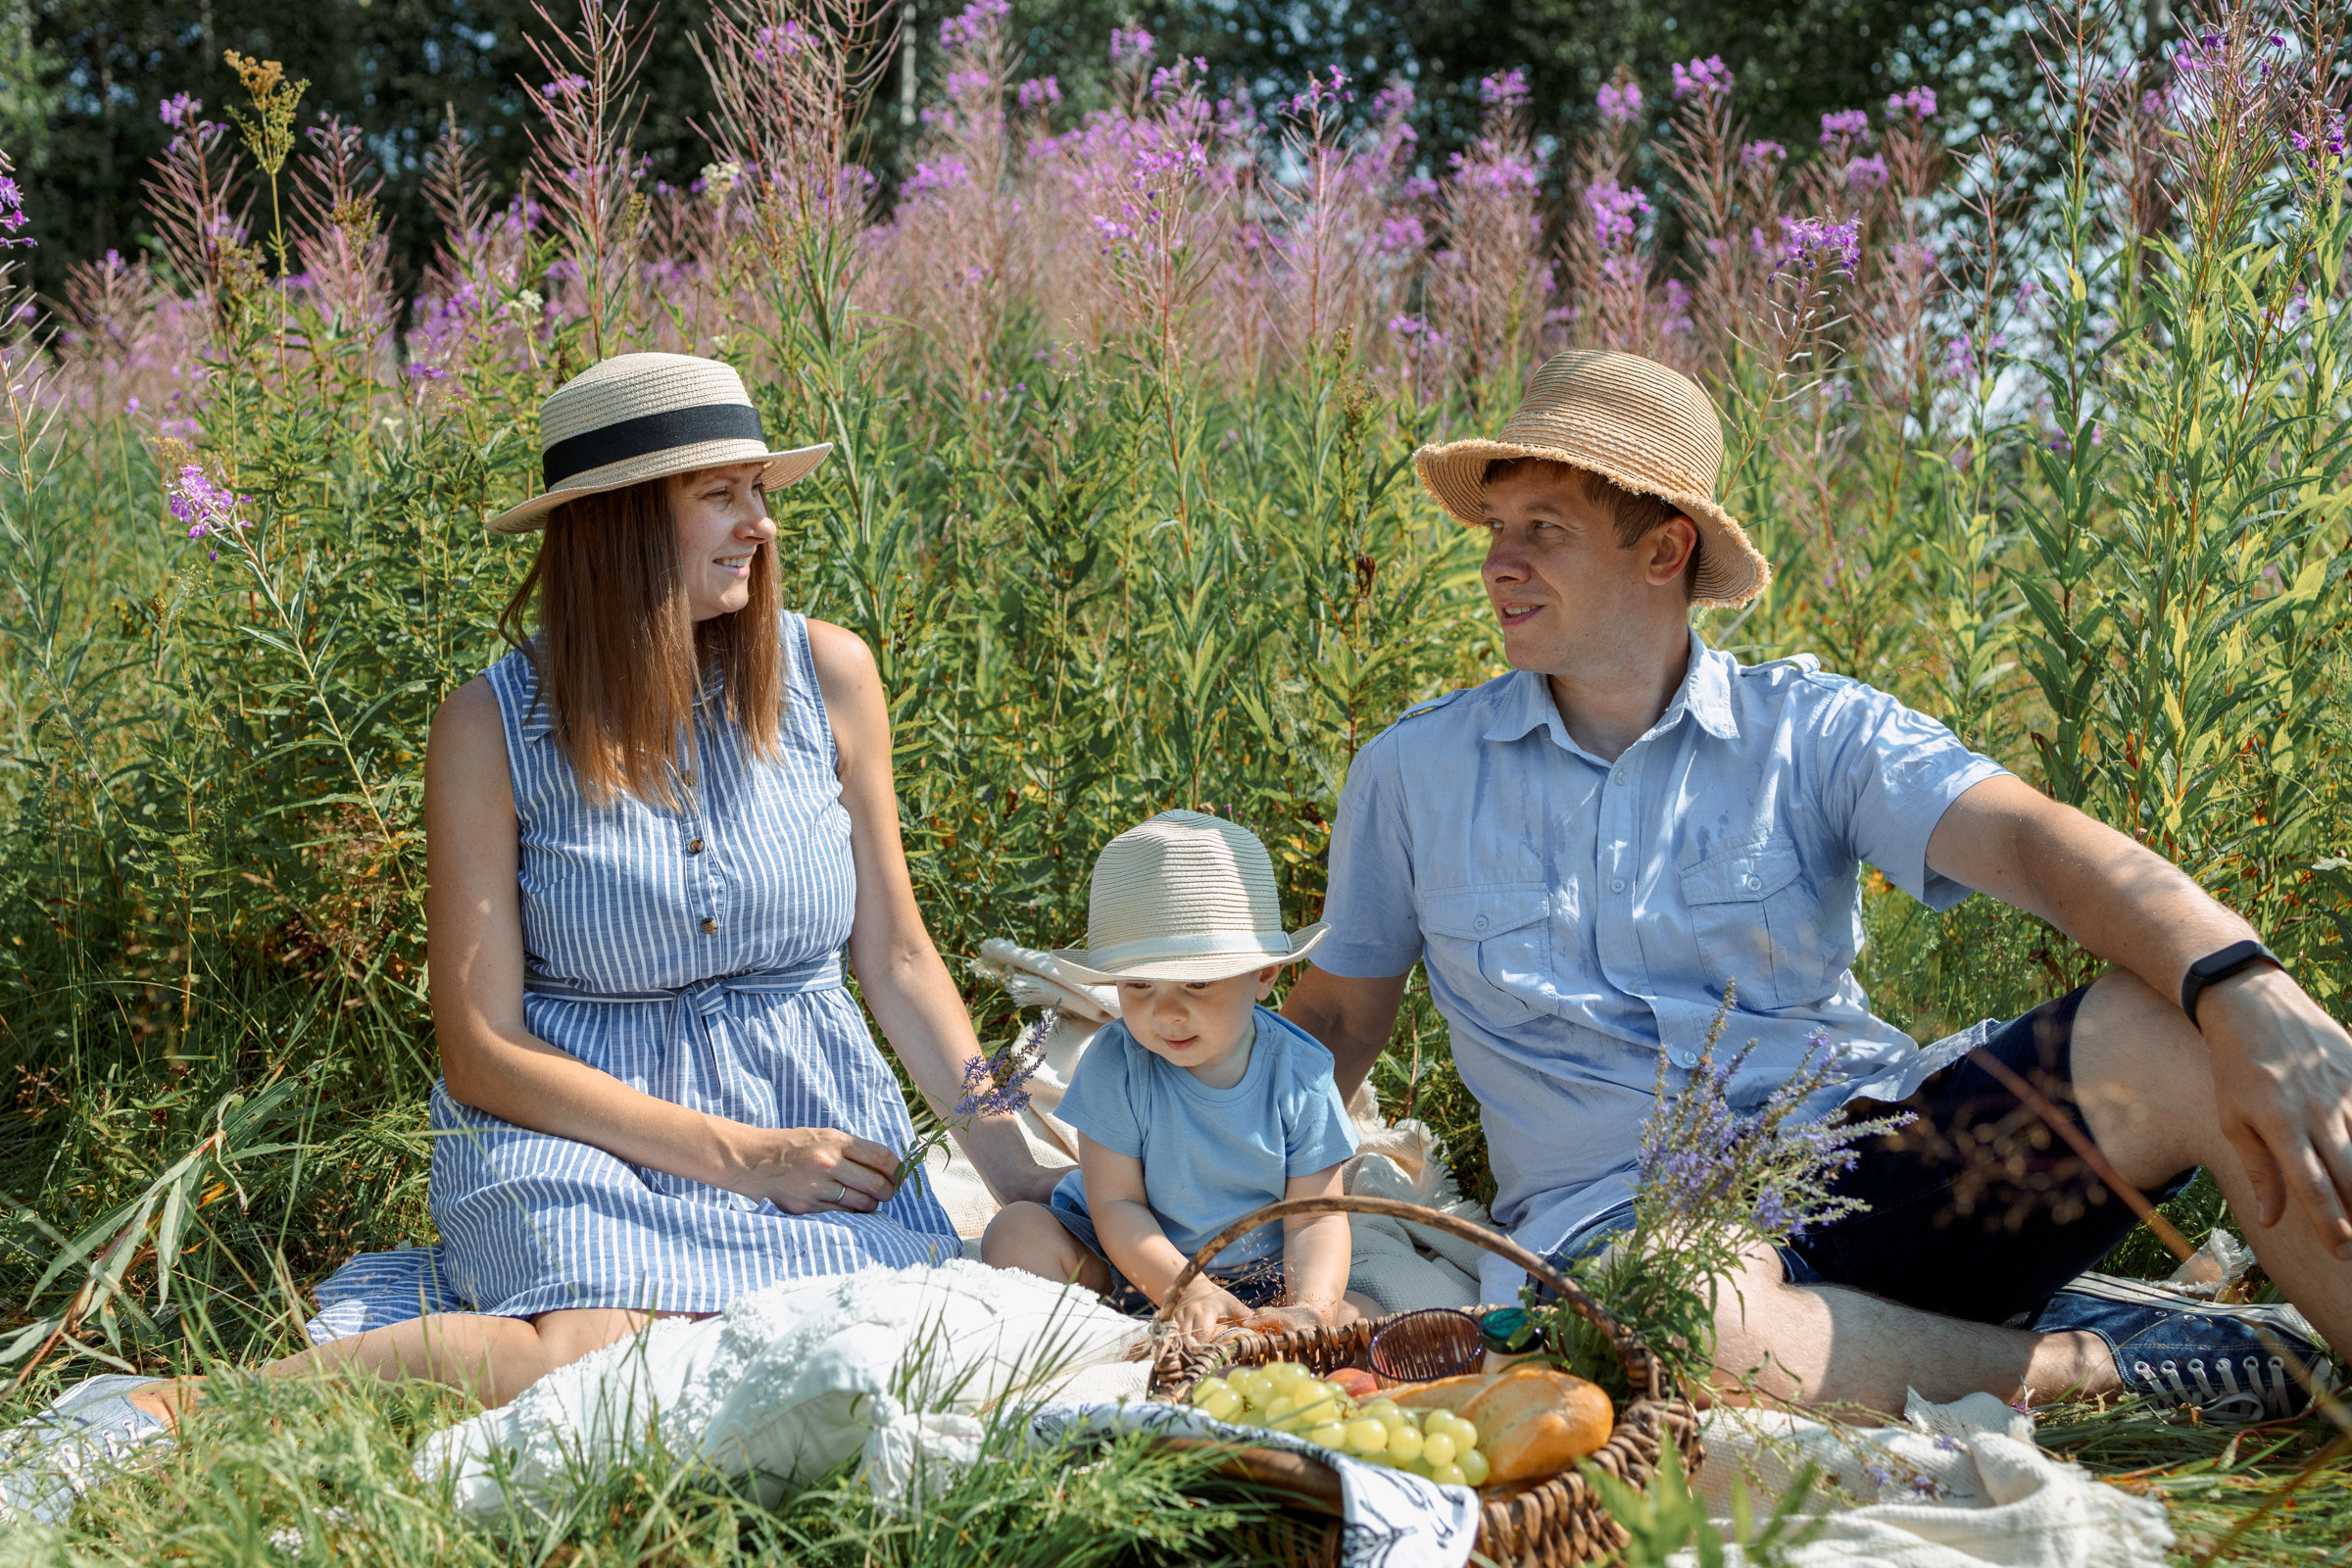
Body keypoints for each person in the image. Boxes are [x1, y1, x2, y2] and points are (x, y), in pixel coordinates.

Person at [2, 353, 1061, 1521]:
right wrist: (740, 1158)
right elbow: (481, 1048)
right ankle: (176, 1410)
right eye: (722, 493)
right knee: (593, 1370)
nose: (761, 525)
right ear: (621, 525)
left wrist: (1022, 1175)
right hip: (573, 1120)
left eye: (760, 490)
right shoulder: (488, 727)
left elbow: (899, 960)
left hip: (804, 1100)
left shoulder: (827, 674)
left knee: (843, 1340)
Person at [1281, 349, 2349, 1420]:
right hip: (1628, 1237)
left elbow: (2033, 843)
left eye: (1543, 529)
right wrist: (1201, 1194)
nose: (1499, 563)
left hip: (1870, 1167)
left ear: (1664, 549)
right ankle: (2100, 1360)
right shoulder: (1414, 772)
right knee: (1683, 1321)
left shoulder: (1812, 731)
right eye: (1497, 528)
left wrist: (2243, 982)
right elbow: (1333, 1019)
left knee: (2180, 1029)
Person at [982, 809, 1378, 1339]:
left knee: (1356, 1316)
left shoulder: (1300, 1074)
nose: (1166, 1013)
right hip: (1126, 1260)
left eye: (1197, 984)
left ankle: (1259, 1330)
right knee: (1015, 1232)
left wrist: (1310, 1306)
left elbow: (1314, 1217)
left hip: (1260, 1279)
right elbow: (1117, 1203)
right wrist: (1188, 1290)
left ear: (1264, 973)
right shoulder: (1117, 1062)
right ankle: (1111, 1335)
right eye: (1139, 985)